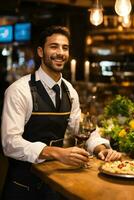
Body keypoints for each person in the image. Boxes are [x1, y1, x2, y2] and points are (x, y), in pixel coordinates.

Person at [1, 25, 121, 200]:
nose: (60, 52)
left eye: (65, 48)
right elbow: (10, 143)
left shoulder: (70, 91)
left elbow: (82, 130)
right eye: (54, 46)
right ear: (41, 52)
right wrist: (57, 152)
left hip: (54, 182)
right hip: (22, 187)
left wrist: (101, 149)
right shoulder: (19, 90)